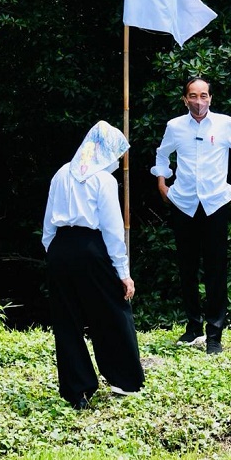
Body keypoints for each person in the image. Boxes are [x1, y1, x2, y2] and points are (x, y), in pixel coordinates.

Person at [151, 77, 231, 355]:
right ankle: (192, 327)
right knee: (186, 267)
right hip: (184, 203)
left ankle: (214, 333)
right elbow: (162, 155)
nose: (199, 102)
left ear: (210, 98)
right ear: (185, 99)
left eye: (204, 96)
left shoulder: (225, 123)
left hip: (215, 203)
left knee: (215, 268)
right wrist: (162, 182)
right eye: (193, 96)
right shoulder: (175, 126)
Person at [42, 120, 144, 410]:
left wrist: (55, 252)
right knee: (113, 311)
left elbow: (48, 223)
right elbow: (112, 230)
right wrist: (123, 274)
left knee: (67, 321)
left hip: (60, 249)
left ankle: (77, 391)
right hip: (90, 248)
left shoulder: (61, 173)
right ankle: (125, 382)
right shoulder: (104, 180)